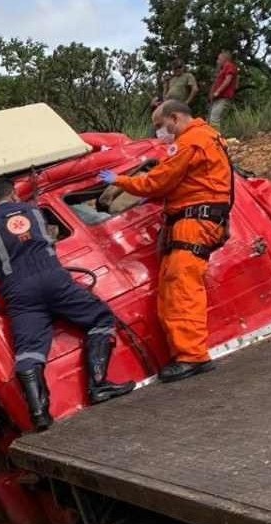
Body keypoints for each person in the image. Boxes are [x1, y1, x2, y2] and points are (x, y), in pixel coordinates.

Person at [0, 178, 135, 430]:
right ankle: (98, 384)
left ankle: (39, 413)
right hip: (53, 278)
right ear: (14, 195)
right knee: (100, 318)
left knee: (28, 351)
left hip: (19, 292)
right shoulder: (33, 211)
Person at [100, 99, 233, 383]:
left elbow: (157, 182)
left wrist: (119, 180)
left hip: (193, 223)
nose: (160, 131)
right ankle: (188, 354)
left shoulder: (189, 142)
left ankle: (192, 357)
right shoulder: (208, 136)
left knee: (182, 290)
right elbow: (176, 183)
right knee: (175, 289)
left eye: (160, 125)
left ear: (175, 118)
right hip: (196, 221)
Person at [208, 51, 239, 127]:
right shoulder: (222, 69)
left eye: (219, 59)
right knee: (212, 118)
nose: (217, 61)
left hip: (223, 97)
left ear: (225, 59)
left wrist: (217, 92)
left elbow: (228, 79)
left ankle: (215, 138)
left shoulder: (229, 66)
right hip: (218, 98)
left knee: (214, 119)